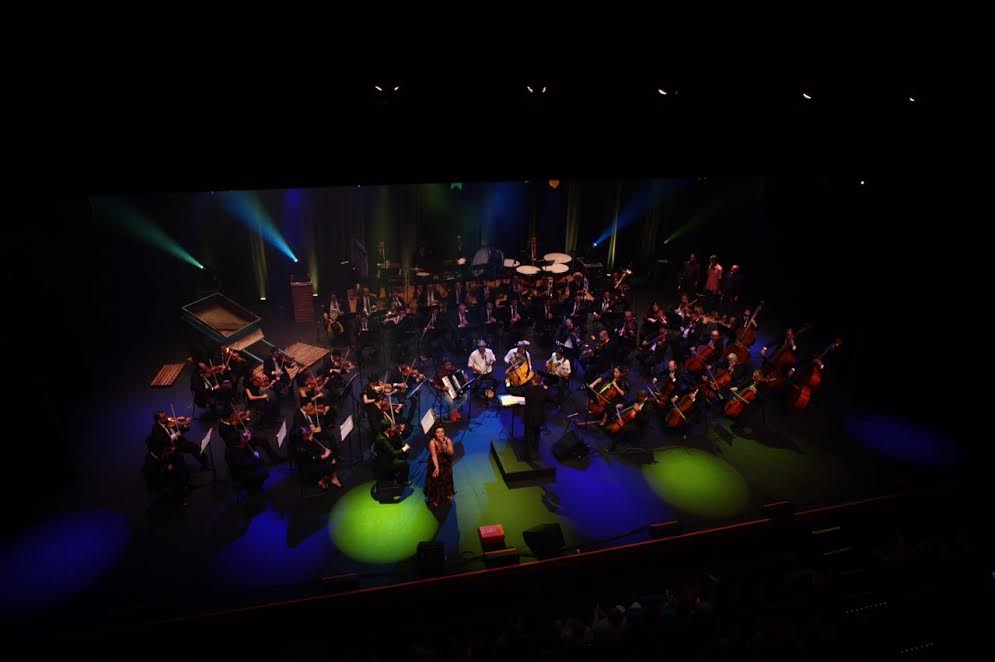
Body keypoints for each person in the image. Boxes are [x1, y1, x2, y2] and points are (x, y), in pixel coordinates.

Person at [425, 425, 455, 507]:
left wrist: (446, 448)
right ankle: (435, 499)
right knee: (436, 481)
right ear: (434, 433)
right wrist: (437, 467)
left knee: (447, 479)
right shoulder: (432, 442)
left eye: (442, 431)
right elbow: (434, 456)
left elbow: (451, 453)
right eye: (438, 432)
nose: (440, 434)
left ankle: (448, 493)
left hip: (446, 462)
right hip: (436, 463)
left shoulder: (448, 440)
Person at [523, 374, 548, 459]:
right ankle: (535, 450)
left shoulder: (528, 390)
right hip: (540, 417)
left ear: (533, 381)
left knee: (528, 436)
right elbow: (550, 399)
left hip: (529, 416)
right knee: (537, 433)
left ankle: (527, 454)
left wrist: (508, 384)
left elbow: (516, 392)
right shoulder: (544, 391)